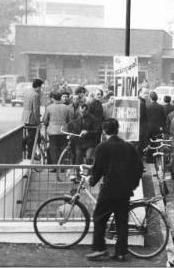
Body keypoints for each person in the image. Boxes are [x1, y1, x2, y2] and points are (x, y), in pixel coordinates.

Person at [85, 118, 143, 262]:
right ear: (117, 130)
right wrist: (133, 185)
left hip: (109, 189)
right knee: (122, 221)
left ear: (104, 132)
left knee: (99, 217)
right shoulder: (129, 147)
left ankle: (99, 249)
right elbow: (139, 168)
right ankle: (121, 253)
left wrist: (91, 181)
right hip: (124, 190)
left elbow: (97, 170)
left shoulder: (102, 147)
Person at [43, 91, 74, 166]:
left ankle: (55, 166)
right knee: (63, 148)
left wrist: (47, 124)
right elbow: (70, 120)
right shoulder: (66, 108)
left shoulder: (49, 107)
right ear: (60, 98)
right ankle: (62, 166)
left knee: (53, 149)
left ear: (53, 98)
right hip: (63, 131)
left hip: (52, 131)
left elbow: (45, 120)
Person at [22, 78, 43, 158]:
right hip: (32, 119)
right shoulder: (35, 95)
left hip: (26, 117)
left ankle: (24, 143)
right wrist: (38, 122)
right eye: (40, 87)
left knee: (30, 135)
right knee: (33, 138)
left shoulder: (27, 92)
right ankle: (30, 154)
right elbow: (36, 110)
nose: (41, 89)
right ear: (38, 86)